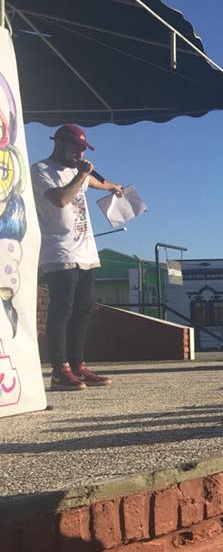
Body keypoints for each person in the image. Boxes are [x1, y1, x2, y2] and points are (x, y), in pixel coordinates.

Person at [31, 124, 124, 391]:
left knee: (83, 309)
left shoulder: (77, 171)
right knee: (62, 309)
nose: (80, 154)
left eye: (84, 149)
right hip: (59, 251)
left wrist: (111, 186)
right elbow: (60, 199)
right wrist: (81, 175)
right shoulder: (41, 170)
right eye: (77, 148)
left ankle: (78, 365)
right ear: (60, 143)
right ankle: (59, 370)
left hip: (85, 250)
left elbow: (93, 182)